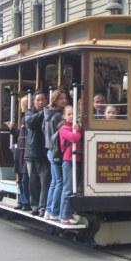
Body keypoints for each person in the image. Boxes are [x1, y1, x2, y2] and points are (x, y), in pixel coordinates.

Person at [43, 89, 71, 220]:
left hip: (50, 150)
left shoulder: (47, 113)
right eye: (61, 99)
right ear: (55, 100)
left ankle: (49, 210)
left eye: (65, 98)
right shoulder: (58, 116)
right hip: (57, 152)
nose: (64, 101)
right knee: (60, 182)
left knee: (54, 182)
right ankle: (54, 211)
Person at [24, 91, 50, 216]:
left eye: (43, 99)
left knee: (44, 180)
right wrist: (42, 113)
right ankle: (34, 205)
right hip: (32, 152)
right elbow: (30, 123)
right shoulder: (30, 113)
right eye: (38, 100)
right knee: (33, 181)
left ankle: (42, 207)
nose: (40, 102)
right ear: (34, 102)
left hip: (44, 152)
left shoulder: (48, 113)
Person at [59, 105, 83, 225]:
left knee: (75, 188)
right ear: (64, 116)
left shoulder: (77, 127)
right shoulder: (64, 129)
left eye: (74, 114)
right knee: (68, 188)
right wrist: (77, 130)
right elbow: (75, 138)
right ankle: (64, 215)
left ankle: (71, 213)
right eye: (69, 114)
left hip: (78, 159)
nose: (72, 116)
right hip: (69, 160)